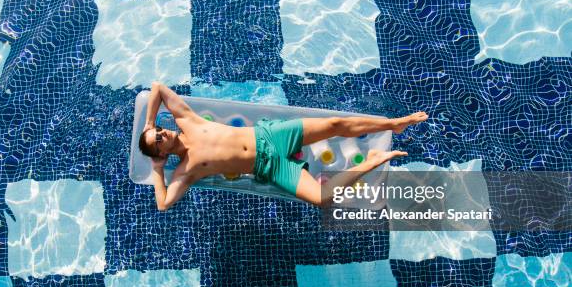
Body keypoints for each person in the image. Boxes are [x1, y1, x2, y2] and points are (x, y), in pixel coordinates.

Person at [139, 82, 428, 211]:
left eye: (159, 132)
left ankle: (394, 123)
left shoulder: (187, 120)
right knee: (320, 198)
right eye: (158, 141)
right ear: (162, 153)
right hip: (270, 167)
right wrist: (156, 169)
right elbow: (163, 204)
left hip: (271, 136)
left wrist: (148, 125)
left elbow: (158, 88)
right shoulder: (186, 171)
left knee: (335, 124)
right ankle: (372, 160)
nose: (163, 134)